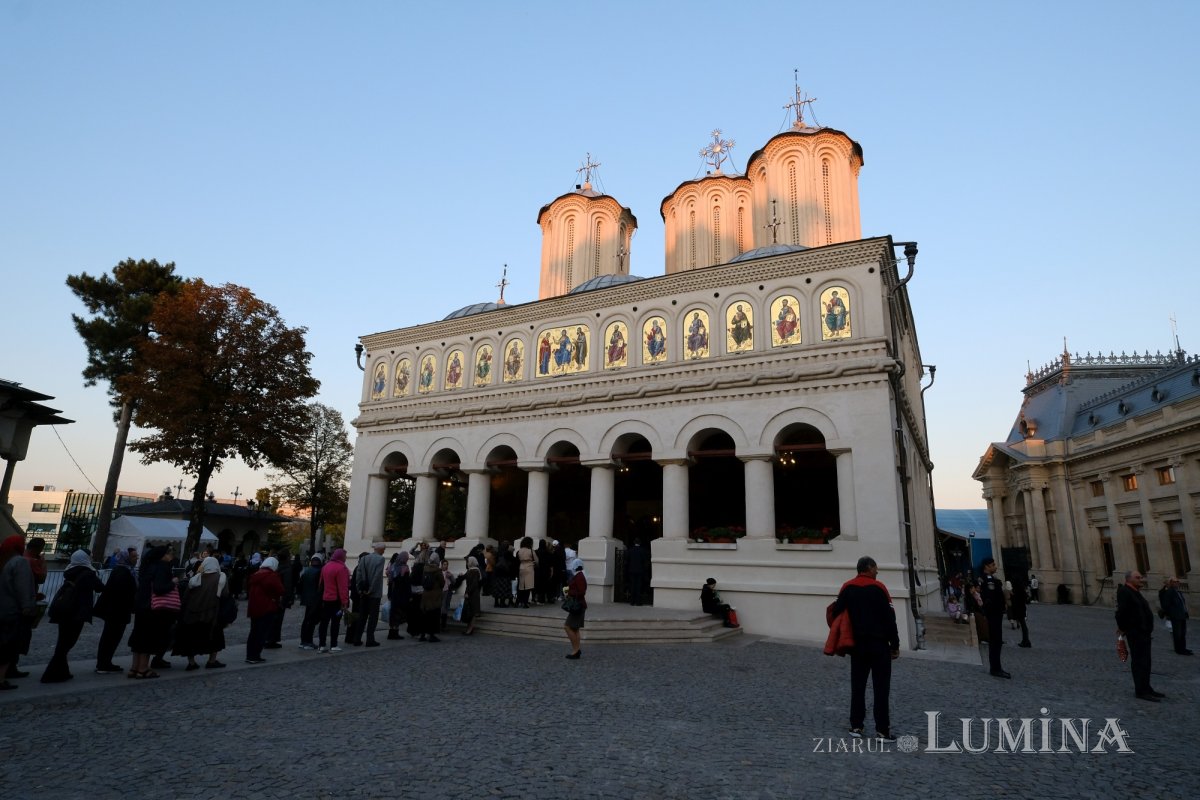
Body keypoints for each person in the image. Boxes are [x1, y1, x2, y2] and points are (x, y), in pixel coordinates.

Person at [829, 556, 900, 741]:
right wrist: (895, 644)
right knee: (881, 688)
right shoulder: (880, 588)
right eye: (876, 568)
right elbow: (890, 618)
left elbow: (836, 612)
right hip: (879, 646)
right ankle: (882, 730)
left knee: (858, 687)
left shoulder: (847, 587)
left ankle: (856, 726)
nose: (877, 572)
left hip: (858, 646)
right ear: (869, 568)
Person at [127, 545, 176, 679]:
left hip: (141, 606)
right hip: (152, 607)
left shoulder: (147, 567)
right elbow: (160, 588)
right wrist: (173, 582)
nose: (171, 555)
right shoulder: (161, 567)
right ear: (162, 555)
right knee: (147, 638)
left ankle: (134, 667)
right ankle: (143, 668)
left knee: (138, 637)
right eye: (169, 553)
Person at [1116, 570, 1164, 701]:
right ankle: (1141, 690)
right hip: (1136, 633)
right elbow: (1121, 613)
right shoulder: (1125, 592)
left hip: (1143, 633)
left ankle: (1147, 687)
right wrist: (1124, 628)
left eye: (1141, 577)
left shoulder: (1135, 591)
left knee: (1146, 661)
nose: (1141, 579)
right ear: (1129, 579)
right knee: (1139, 662)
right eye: (1137, 577)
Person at [174, 556, 228, 670]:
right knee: (214, 638)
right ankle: (211, 661)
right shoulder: (220, 578)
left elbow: (186, 596)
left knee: (191, 639)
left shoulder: (196, 578)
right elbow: (225, 595)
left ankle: (192, 663)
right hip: (211, 614)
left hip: (192, 614)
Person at [0, 535, 37, 690]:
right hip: (12, 610)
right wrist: (28, 606)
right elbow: (23, 587)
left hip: (4, 608)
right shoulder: (19, 562)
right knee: (8, 646)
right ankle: (1, 678)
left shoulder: (5, 562)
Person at [94, 548, 138, 674]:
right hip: (117, 611)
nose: (136, 559)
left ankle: (105, 662)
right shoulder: (122, 572)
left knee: (112, 637)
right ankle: (103, 663)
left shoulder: (125, 570)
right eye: (134, 556)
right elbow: (121, 593)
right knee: (110, 637)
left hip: (118, 610)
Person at [245, 556, 284, 664]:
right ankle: (255, 655)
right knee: (261, 632)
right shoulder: (271, 576)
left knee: (254, 632)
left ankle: (250, 654)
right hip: (266, 606)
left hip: (254, 607)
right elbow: (280, 589)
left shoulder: (257, 574)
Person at [979, 558, 1009, 679]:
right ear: (986, 567)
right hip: (994, 614)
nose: (995, 567)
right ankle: (995, 668)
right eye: (993, 565)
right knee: (995, 641)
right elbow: (991, 597)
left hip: (995, 613)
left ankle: (996, 667)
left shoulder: (992, 580)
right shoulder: (988, 580)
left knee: (997, 641)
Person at [353, 542, 387, 646]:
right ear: (380, 550)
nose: (384, 551)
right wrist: (371, 589)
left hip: (363, 592)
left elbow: (358, 574)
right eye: (384, 549)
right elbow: (377, 576)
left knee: (362, 616)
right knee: (373, 617)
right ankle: (370, 639)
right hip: (374, 593)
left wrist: (359, 588)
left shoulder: (364, 558)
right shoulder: (381, 559)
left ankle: (357, 638)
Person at [318, 548, 350, 653]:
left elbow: (321, 583)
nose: (345, 558)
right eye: (345, 556)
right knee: (335, 623)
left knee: (324, 622)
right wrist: (344, 602)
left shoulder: (326, 566)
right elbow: (343, 587)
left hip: (326, 598)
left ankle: (321, 645)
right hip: (336, 600)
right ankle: (333, 644)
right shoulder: (341, 568)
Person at [267, 549, 295, 649]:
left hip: (273, 597)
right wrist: (288, 598)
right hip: (280, 598)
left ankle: (269, 639)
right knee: (277, 620)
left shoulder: (275, 567)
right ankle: (272, 640)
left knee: (272, 619)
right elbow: (287, 586)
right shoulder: (287, 569)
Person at [1158, 576, 1191, 655]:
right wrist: (1172, 613)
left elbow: (1182, 603)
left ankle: (1183, 648)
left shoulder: (1178, 591)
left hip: (1182, 615)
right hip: (1176, 616)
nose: (1177, 583)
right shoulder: (1169, 592)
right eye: (1175, 582)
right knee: (1177, 634)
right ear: (1171, 583)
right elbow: (1166, 604)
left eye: (1178, 581)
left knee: (1183, 633)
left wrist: (1185, 612)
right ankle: (1179, 650)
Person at [297, 554, 323, 650]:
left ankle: (304, 641)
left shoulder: (306, 571)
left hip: (306, 598)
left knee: (306, 620)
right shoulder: (319, 571)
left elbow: (299, 586)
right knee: (311, 621)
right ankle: (308, 641)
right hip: (315, 599)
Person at [563, 559, 587, 659]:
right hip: (579, 605)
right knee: (574, 629)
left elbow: (581, 591)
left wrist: (570, 593)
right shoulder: (579, 575)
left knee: (567, 627)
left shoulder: (579, 576)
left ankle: (576, 650)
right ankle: (576, 650)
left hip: (578, 605)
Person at [386, 551, 410, 640]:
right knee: (399, 612)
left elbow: (390, 580)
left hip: (394, 592)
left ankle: (391, 632)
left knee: (393, 612)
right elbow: (407, 583)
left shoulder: (393, 566)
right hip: (402, 593)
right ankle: (395, 632)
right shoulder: (405, 568)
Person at [459, 556, 483, 635]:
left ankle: (470, 629)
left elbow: (474, 584)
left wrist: (468, 593)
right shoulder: (471, 570)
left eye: (468, 561)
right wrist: (461, 576)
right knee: (470, 611)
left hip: (473, 593)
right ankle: (469, 629)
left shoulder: (474, 571)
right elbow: (466, 577)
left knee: (473, 612)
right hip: (471, 592)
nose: (467, 563)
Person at [515, 537, 537, 608]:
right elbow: (536, 560)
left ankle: (518, 601)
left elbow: (517, 560)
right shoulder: (531, 551)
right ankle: (525, 602)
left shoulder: (519, 551)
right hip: (529, 567)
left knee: (521, 586)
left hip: (521, 567)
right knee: (528, 586)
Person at [627, 539, 650, 606]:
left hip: (631, 570)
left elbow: (627, 560)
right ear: (640, 543)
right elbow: (645, 561)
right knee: (638, 586)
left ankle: (632, 602)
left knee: (632, 585)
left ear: (634, 542)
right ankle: (638, 602)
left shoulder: (630, 550)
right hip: (640, 571)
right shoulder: (642, 550)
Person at [1009, 577, 1031, 648]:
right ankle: (1025, 640)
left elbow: (1015, 600)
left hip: (1019, 609)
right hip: (1022, 608)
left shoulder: (1016, 590)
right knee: (1023, 625)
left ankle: (1026, 641)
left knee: (1023, 625)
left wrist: (1012, 595)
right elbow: (1026, 598)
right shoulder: (1021, 589)